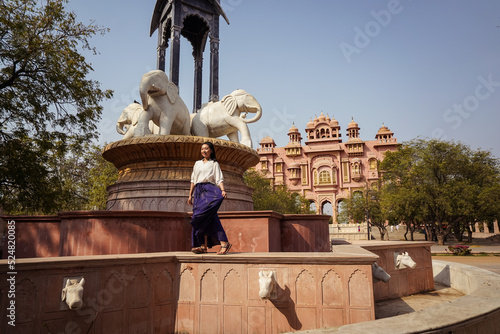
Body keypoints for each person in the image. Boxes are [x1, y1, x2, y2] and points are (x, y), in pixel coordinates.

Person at [188, 142, 232, 255]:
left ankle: (222, 243)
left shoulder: (214, 164)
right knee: (204, 217)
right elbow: (193, 180)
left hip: (209, 190)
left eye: (206, 148)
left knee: (202, 216)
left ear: (211, 150)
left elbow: (219, 179)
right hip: (198, 192)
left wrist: (222, 190)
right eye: (202, 149)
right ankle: (203, 245)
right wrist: (190, 195)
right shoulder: (197, 163)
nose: (204, 151)